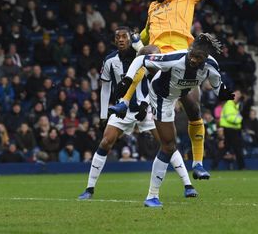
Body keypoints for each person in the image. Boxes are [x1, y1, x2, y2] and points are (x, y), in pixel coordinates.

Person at [110, 0, 235, 181]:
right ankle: (124, 102)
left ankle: (198, 164)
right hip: (159, 59)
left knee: (194, 111)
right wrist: (137, 40)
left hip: (182, 59)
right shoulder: (152, 8)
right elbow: (148, 34)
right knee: (148, 53)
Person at [78, 28, 196, 200]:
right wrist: (103, 115)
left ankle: (188, 185)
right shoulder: (110, 61)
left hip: (146, 108)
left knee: (167, 143)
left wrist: (145, 103)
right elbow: (105, 88)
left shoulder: (142, 57)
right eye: (117, 37)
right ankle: (89, 189)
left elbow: (154, 80)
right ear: (114, 41)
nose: (120, 39)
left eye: (124, 36)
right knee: (105, 142)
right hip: (122, 110)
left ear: (130, 39)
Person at [119, 33, 233, 208]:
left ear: (206, 58)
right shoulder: (175, 58)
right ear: (189, 50)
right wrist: (127, 79)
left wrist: (226, 94)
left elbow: (218, 87)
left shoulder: (211, 66)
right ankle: (152, 196)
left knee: (195, 113)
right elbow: (141, 60)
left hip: (180, 92)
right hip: (161, 96)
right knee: (168, 145)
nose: (193, 60)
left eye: (198, 57)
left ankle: (197, 164)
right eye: (192, 55)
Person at [219, 90, 244, 170]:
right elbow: (229, 118)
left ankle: (214, 164)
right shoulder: (229, 105)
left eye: (239, 95)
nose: (238, 97)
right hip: (231, 129)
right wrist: (239, 120)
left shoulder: (233, 105)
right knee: (237, 148)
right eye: (236, 95)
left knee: (227, 147)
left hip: (232, 129)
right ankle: (241, 166)